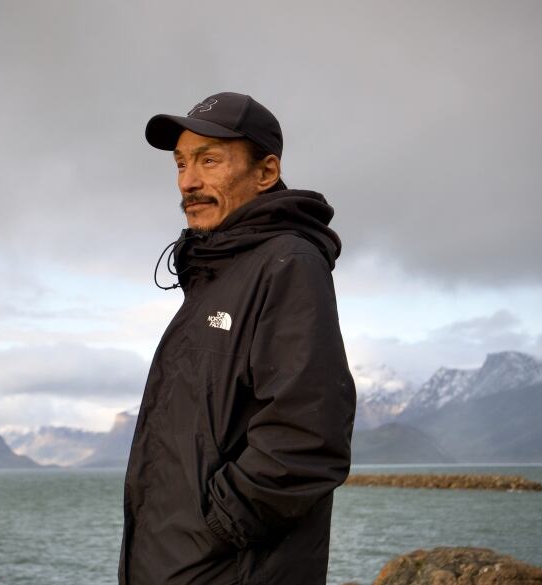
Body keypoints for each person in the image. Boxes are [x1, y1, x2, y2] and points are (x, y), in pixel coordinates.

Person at [119, 91, 356, 585]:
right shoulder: (215, 274)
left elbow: (307, 436)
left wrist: (217, 528)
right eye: (181, 163)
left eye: (209, 160)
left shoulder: (289, 264)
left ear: (265, 172)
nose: (188, 181)